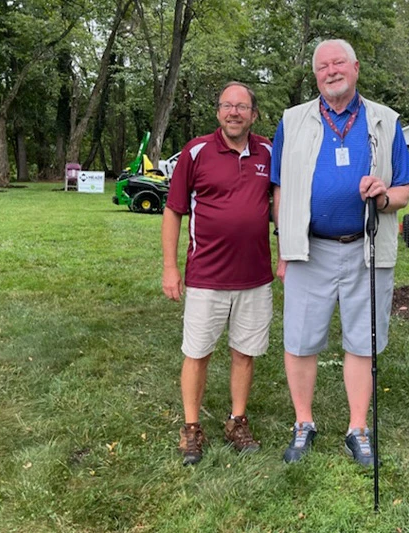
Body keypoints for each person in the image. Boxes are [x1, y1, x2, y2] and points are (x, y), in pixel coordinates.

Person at [270, 39, 409, 466]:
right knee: (300, 340)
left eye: (339, 63)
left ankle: (358, 428)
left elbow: (406, 189)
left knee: (363, 339)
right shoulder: (292, 121)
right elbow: (278, 189)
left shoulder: (385, 121)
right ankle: (303, 423)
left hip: (366, 250)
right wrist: (283, 246)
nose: (331, 70)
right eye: (323, 66)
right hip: (307, 250)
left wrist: (384, 196)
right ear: (315, 75)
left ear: (355, 68)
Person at [162, 81, 274, 466]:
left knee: (245, 352)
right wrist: (170, 268)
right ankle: (191, 429)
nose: (234, 112)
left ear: (253, 114)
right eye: (227, 105)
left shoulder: (269, 153)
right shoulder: (195, 152)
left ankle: (236, 421)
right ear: (217, 113)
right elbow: (174, 211)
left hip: (255, 277)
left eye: (242, 106)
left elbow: (282, 204)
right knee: (197, 352)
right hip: (206, 275)